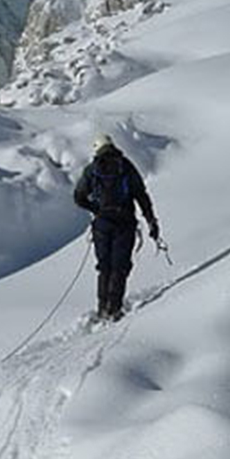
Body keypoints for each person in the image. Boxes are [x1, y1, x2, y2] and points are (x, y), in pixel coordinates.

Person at [74, 135, 160, 321]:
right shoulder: (126, 166)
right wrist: (151, 220)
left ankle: (102, 308)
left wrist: (96, 209)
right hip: (125, 222)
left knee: (104, 267)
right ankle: (114, 309)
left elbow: (79, 197)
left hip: (102, 224)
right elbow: (141, 195)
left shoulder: (92, 170)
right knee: (119, 267)